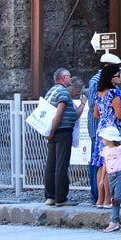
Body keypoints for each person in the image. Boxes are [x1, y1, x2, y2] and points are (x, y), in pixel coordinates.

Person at [86, 53, 121, 206]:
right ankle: (102, 197)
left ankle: (100, 198)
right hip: (108, 128)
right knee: (106, 164)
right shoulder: (104, 87)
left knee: (100, 163)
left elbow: (95, 109)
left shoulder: (100, 88)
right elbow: (94, 107)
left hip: (100, 127)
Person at [43, 68, 81, 207]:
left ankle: (50, 196)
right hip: (62, 131)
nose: (71, 78)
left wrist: (49, 131)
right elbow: (59, 112)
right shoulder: (64, 92)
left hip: (52, 131)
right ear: (63, 77)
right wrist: (53, 129)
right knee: (61, 164)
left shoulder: (51, 91)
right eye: (69, 76)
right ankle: (61, 198)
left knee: (51, 164)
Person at [92, 64, 121, 209]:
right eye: (117, 76)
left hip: (101, 130)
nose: (119, 78)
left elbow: (96, 114)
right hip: (113, 130)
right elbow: (119, 115)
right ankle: (108, 199)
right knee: (111, 165)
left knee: (102, 165)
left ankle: (100, 200)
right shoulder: (113, 93)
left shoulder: (99, 93)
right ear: (111, 78)